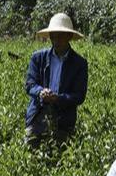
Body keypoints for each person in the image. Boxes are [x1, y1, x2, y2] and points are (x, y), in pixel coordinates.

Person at [24, 13, 88, 147]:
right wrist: (41, 92)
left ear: (69, 37)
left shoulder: (79, 63)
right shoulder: (38, 58)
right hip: (39, 113)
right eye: (53, 35)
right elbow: (30, 85)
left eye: (60, 36)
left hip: (64, 118)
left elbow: (79, 96)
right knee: (30, 146)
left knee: (61, 154)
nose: (56, 40)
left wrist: (58, 98)